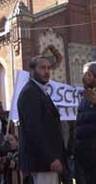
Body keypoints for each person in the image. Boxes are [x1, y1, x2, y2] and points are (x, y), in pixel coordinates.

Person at [17, 56, 64, 184]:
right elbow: (34, 130)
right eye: (42, 68)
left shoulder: (40, 91)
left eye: (49, 68)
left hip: (45, 163)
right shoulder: (30, 93)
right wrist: (50, 159)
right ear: (32, 71)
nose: (47, 71)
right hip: (41, 163)